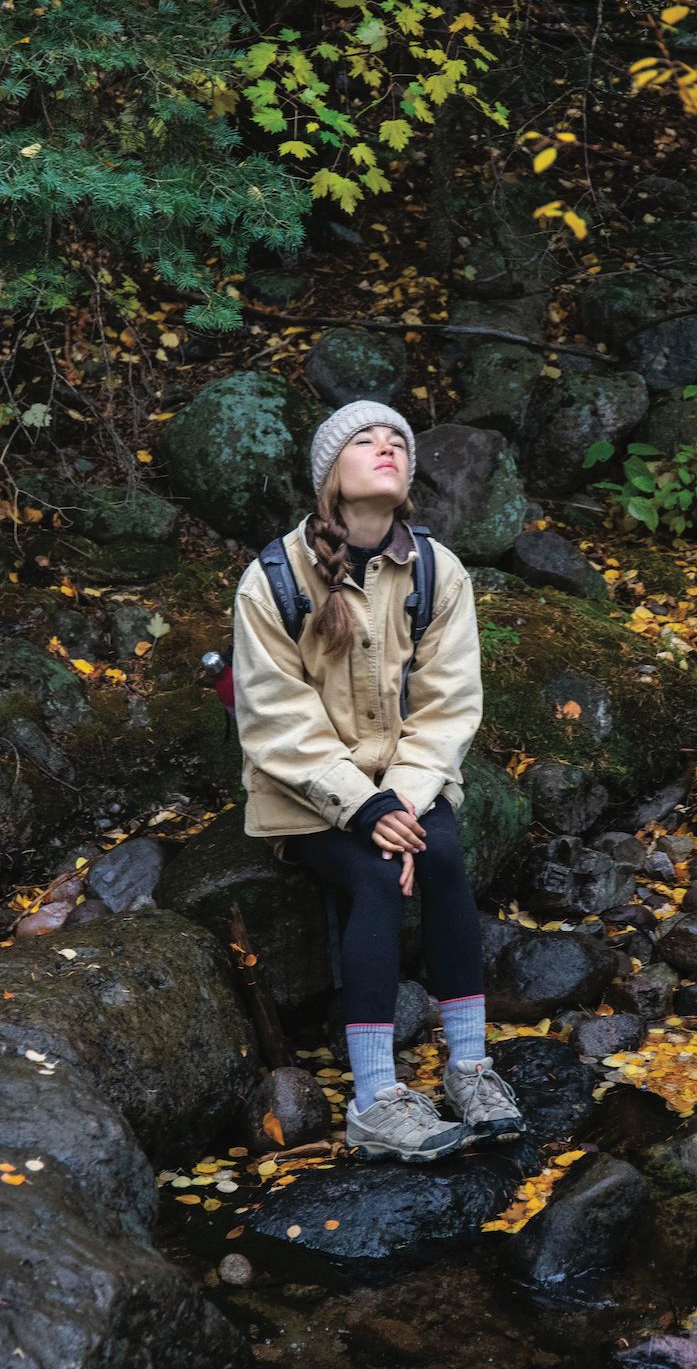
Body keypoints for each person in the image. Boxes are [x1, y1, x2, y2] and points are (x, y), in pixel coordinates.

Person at [227, 400, 525, 1161]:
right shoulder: (270, 580)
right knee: (375, 879)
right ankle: (375, 1098)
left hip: (406, 782)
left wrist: (403, 798)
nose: (388, 445)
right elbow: (274, 723)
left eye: (398, 438)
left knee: (444, 858)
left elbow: (449, 704)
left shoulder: (435, 571)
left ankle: (470, 1067)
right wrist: (364, 809)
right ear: (331, 475)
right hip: (307, 796)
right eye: (366, 439)